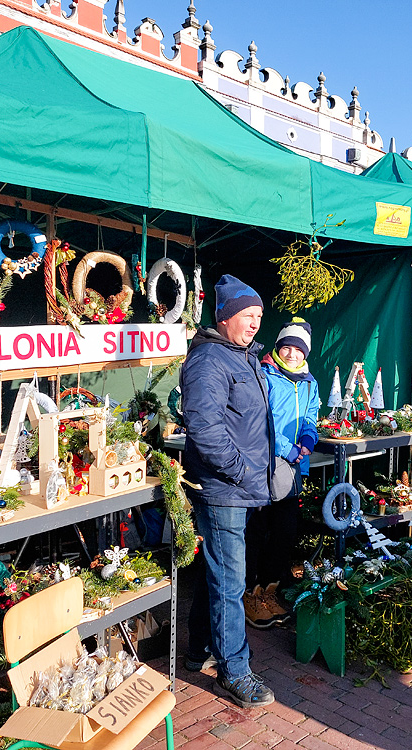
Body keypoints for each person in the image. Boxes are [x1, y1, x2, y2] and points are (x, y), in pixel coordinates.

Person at [181, 274, 275, 709]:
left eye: (258, 315)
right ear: (224, 317)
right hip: (224, 488)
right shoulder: (208, 361)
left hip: (241, 486)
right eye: (247, 315)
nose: (255, 323)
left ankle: (197, 648)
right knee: (229, 583)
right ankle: (234, 670)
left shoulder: (242, 356)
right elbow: (204, 428)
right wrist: (242, 471)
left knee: (218, 574)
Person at [244, 318, 321, 628]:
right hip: (262, 467)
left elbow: (311, 415)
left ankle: (270, 591)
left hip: (290, 472)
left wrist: (308, 438)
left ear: (306, 353)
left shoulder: (309, 382)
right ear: (277, 348)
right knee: (256, 532)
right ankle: (249, 594)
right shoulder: (264, 375)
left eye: (298, 349)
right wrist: (287, 447)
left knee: (285, 532)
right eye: (286, 347)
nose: (292, 354)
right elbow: (258, 420)